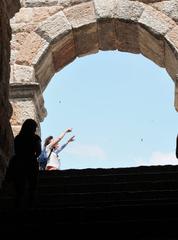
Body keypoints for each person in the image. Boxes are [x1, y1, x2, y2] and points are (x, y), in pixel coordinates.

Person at [7, 118, 41, 208]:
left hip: (19, 163)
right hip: (31, 163)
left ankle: (17, 205)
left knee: (19, 186)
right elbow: (39, 151)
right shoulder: (36, 138)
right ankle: (30, 205)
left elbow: (15, 150)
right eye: (34, 127)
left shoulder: (18, 138)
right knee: (32, 186)